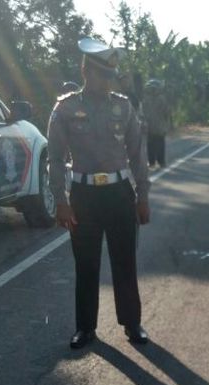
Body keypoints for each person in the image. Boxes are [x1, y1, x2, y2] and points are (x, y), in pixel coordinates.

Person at [47, 37, 151, 349]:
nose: (107, 82)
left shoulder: (123, 106)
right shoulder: (65, 109)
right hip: (84, 196)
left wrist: (143, 196)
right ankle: (86, 328)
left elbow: (138, 153)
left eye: (110, 76)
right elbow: (54, 157)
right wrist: (61, 201)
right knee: (86, 264)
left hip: (120, 193)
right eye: (101, 75)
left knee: (125, 262)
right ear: (85, 71)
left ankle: (132, 324)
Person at [143, 79, 172, 167]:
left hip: (160, 127)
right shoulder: (146, 100)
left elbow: (167, 113)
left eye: (154, 89)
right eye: (151, 89)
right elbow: (142, 113)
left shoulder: (162, 100)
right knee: (150, 146)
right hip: (150, 127)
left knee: (160, 145)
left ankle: (161, 162)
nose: (153, 91)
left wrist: (167, 125)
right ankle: (151, 162)